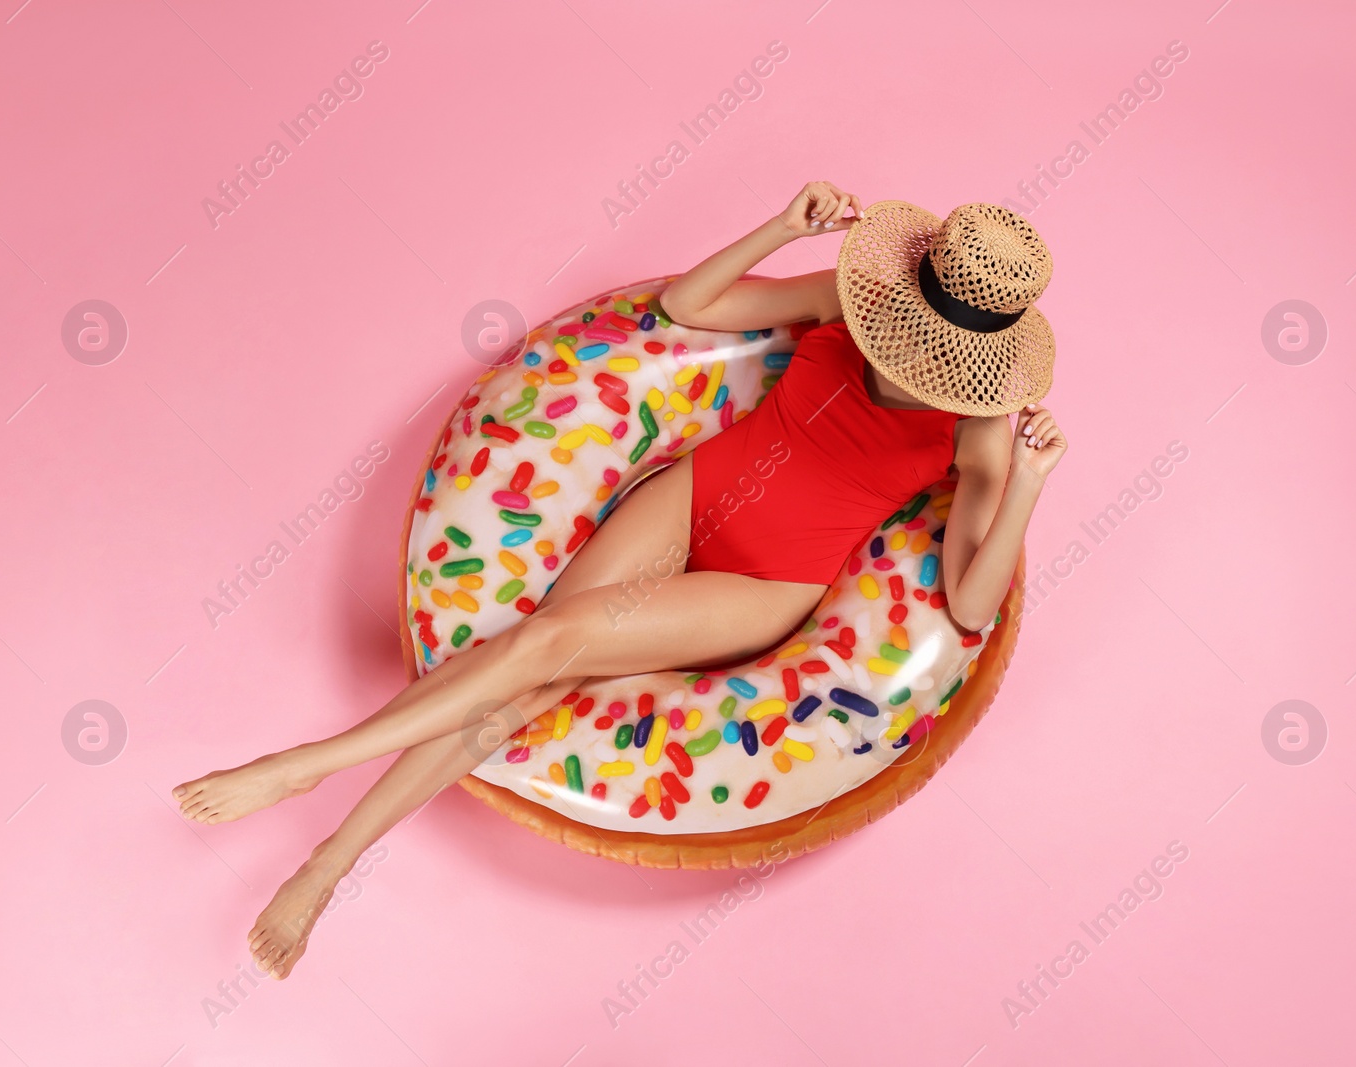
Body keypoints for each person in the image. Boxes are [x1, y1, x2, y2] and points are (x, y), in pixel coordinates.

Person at [173, 180, 1068, 979]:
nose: (906, 348)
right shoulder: (854, 299)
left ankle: (305, 775)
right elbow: (690, 304)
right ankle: (323, 865)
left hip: (769, 580)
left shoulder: (981, 425)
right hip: (696, 494)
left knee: (548, 645)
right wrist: (778, 228)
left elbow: (970, 600)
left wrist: (1025, 485)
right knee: (531, 673)